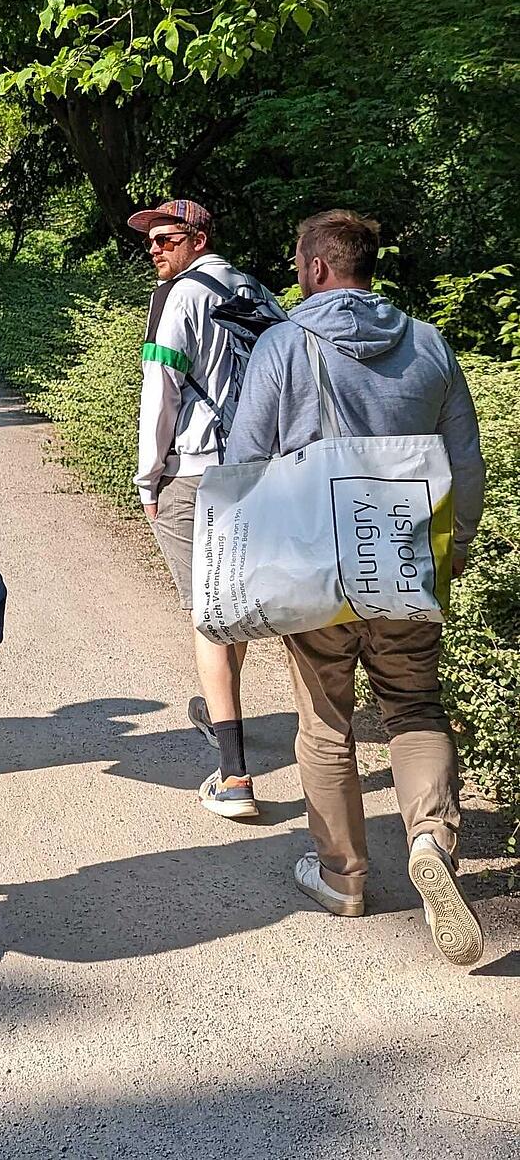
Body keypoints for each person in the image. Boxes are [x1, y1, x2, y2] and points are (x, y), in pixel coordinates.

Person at [225, 209, 486, 966]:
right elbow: (464, 466)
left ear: (312, 268)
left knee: (326, 718)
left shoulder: (282, 343)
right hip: (405, 550)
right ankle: (432, 837)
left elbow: (244, 463)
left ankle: (343, 876)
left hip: (316, 560)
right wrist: (456, 545)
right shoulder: (428, 342)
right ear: (370, 267)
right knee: (413, 704)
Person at [130, 198, 284, 820]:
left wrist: (148, 477)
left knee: (208, 615)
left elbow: (159, 391)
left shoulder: (178, 298)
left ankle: (235, 775)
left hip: (194, 472)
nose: (154, 250)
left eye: (165, 238)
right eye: (149, 241)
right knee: (234, 605)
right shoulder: (262, 294)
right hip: (262, 471)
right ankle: (220, 706)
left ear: (197, 238)